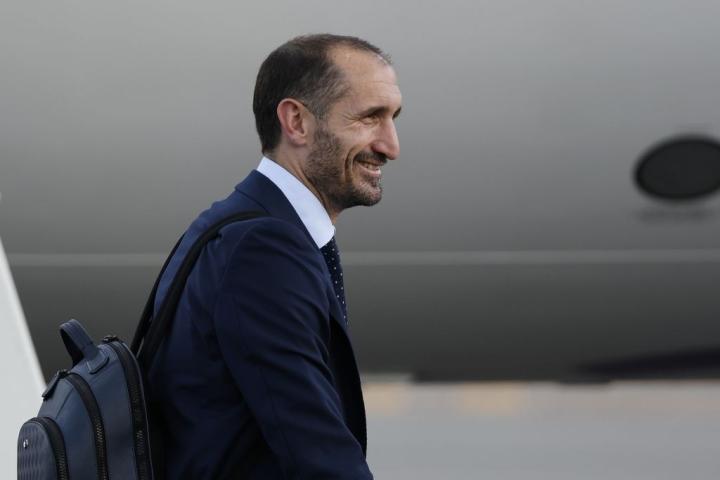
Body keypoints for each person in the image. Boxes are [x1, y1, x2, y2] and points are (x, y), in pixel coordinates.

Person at [147, 34, 402, 479]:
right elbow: (317, 453)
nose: (390, 146)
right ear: (296, 122)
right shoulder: (263, 249)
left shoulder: (233, 223)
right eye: (369, 117)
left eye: (393, 119)